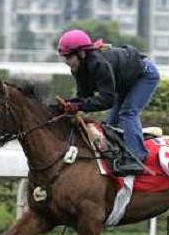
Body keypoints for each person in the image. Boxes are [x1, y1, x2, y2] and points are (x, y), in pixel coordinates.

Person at [57, 29, 160, 176]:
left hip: (144, 75)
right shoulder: (78, 68)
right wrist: (69, 103)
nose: (67, 62)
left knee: (127, 113)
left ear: (81, 53)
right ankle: (120, 154)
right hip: (125, 81)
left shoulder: (100, 65)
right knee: (109, 124)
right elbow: (85, 96)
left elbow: (108, 101)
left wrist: (78, 106)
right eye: (64, 57)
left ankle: (136, 157)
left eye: (69, 57)